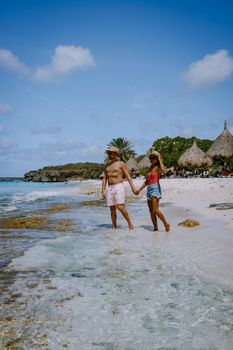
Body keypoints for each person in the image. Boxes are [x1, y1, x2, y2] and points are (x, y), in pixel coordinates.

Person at [102, 146, 137, 230]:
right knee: (112, 209)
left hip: (118, 186)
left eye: (110, 153)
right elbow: (104, 179)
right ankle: (114, 226)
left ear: (115, 154)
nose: (109, 154)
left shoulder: (121, 163)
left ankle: (129, 223)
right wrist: (103, 190)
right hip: (109, 188)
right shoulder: (106, 165)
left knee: (120, 207)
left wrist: (133, 188)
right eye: (108, 153)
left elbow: (128, 176)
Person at [135, 149, 170, 232]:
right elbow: (147, 181)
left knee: (155, 210)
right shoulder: (150, 168)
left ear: (157, 159)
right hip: (149, 189)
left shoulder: (158, 167)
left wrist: (159, 159)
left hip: (155, 188)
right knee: (151, 211)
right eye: (150, 158)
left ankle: (166, 224)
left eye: (154, 158)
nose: (151, 159)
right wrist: (139, 190)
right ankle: (155, 227)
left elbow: (163, 169)